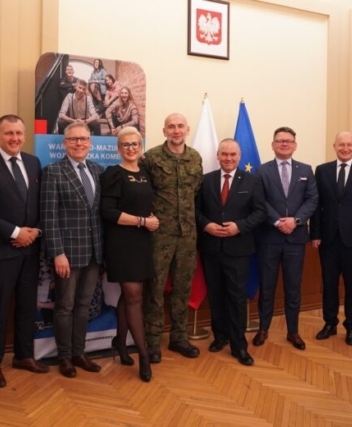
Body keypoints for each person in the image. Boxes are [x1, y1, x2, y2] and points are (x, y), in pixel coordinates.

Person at [0, 115, 49, 388]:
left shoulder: (33, 162)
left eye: (18, 133)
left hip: (30, 250)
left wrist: (35, 231)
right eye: (8, 133)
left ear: (24, 136)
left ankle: (23, 356)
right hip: (0, 252)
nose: (14, 138)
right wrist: (16, 232)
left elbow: (40, 204)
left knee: (27, 306)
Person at [41, 123, 104, 378]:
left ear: (90, 143)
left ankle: (79, 353)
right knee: (65, 306)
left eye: (84, 139)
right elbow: (49, 217)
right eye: (74, 139)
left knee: (84, 305)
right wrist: (57, 253)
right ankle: (65, 357)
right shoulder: (53, 172)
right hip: (67, 254)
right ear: (65, 143)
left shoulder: (98, 170)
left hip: (94, 253)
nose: (79, 143)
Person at [195, 139, 266, 366]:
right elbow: (195, 210)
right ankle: (220, 337)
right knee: (216, 296)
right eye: (224, 154)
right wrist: (206, 225)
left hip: (239, 249)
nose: (228, 158)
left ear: (239, 156)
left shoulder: (252, 181)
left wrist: (240, 226)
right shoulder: (205, 180)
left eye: (233, 154)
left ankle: (239, 346)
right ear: (218, 155)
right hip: (211, 249)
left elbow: (260, 212)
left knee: (236, 298)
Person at [141, 113, 203, 363]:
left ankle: (179, 337)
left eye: (180, 126)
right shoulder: (152, 157)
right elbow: (143, 192)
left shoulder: (195, 157)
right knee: (155, 288)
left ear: (187, 129)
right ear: (164, 130)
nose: (176, 130)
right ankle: (152, 341)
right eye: (171, 127)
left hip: (187, 235)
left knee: (182, 287)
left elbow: (195, 191)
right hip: (159, 235)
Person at [310, 131, 352, 346]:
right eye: (341, 144)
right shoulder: (322, 171)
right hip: (328, 241)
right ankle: (329, 323)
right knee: (329, 284)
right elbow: (316, 206)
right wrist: (315, 234)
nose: (345, 148)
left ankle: (351, 326)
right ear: (334, 146)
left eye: (349, 144)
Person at [100, 127, 159, 382]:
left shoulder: (146, 173)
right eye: (125, 144)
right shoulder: (113, 173)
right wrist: (142, 221)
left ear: (141, 146)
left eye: (135, 144)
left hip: (143, 242)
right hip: (121, 242)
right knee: (134, 295)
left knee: (130, 295)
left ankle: (120, 343)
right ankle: (143, 355)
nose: (131, 148)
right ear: (118, 148)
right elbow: (108, 211)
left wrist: (149, 220)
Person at [254, 127, 318, 351]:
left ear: (295, 145)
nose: (284, 144)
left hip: (295, 240)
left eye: (288, 141)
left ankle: (293, 331)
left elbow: (312, 199)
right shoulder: (261, 171)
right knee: (267, 287)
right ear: (272, 145)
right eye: (280, 140)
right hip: (269, 239)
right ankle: (263, 329)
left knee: (293, 288)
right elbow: (259, 201)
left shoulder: (306, 170)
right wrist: (277, 221)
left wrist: (296, 221)